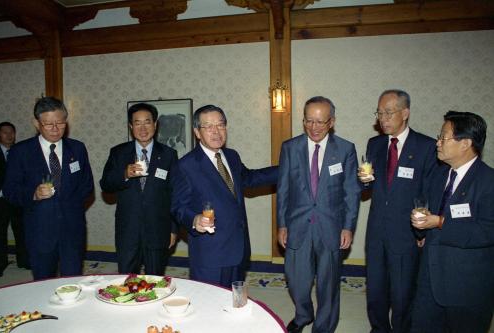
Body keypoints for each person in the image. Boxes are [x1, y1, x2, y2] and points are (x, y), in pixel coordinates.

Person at [277, 96, 361, 333]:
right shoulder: (289, 148)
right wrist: (281, 224)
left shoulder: (345, 149)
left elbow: (351, 192)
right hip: (297, 226)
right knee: (297, 282)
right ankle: (303, 314)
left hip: (331, 226)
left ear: (332, 122)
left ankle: (324, 326)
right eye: (308, 121)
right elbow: (282, 189)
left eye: (320, 122)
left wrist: (348, 227)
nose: (314, 127)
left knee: (328, 283)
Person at [171, 104, 277, 288]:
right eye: (208, 126)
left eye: (220, 125)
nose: (216, 131)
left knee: (234, 303)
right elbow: (178, 207)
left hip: (238, 248)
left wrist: (288, 168)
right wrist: (195, 219)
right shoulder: (186, 166)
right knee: (209, 305)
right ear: (197, 132)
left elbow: (249, 178)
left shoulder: (231, 156)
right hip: (210, 254)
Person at [359, 89, 438, 333]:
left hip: (406, 233)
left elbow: (429, 193)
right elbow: (370, 183)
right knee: (376, 290)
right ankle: (379, 328)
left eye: (388, 113)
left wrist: (421, 233)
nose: (382, 118)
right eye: (379, 113)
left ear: (405, 113)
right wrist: (364, 180)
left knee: (403, 293)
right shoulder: (375, 144)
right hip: (376, 232)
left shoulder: (425, 146)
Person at [410, 111, 494, 333]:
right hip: (429, 281)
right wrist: (421, 227)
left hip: (465, 288)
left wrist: (440, 223)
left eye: (443, 138)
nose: (437, 143)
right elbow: (429, 217)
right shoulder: (439, 175)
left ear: (465, 143)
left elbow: (487, 231)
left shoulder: (488, 182)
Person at [3, 97, 94, 280]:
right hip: (40, 231)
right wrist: (33, 194)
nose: (55, 129)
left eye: (60, 123)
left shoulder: (77, 148)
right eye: (48, 124)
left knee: (73, 282)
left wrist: (70, 206)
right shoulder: (21, 152)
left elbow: (87, 186)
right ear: (36, 123)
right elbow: (10, 191)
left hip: (72, 229)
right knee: (43, 284)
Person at [100, 103, 178, 275]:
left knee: (156, 281)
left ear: (155, 125)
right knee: (127, 281)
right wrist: (124, 174)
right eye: (137, 123)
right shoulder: (118, 153)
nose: (143, 128)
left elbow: (174, 194)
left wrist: (173, 229)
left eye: (147, 122)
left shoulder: (168, 154)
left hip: (158, 230)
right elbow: (105, 184)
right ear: (131, 126)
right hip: (128, 230)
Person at [0, 122, 30, 277]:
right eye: (4, 132)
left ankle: (24, 261)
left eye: (11, 132)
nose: (9, 135)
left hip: (17, 199)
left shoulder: (21, 153)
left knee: (22, 231)